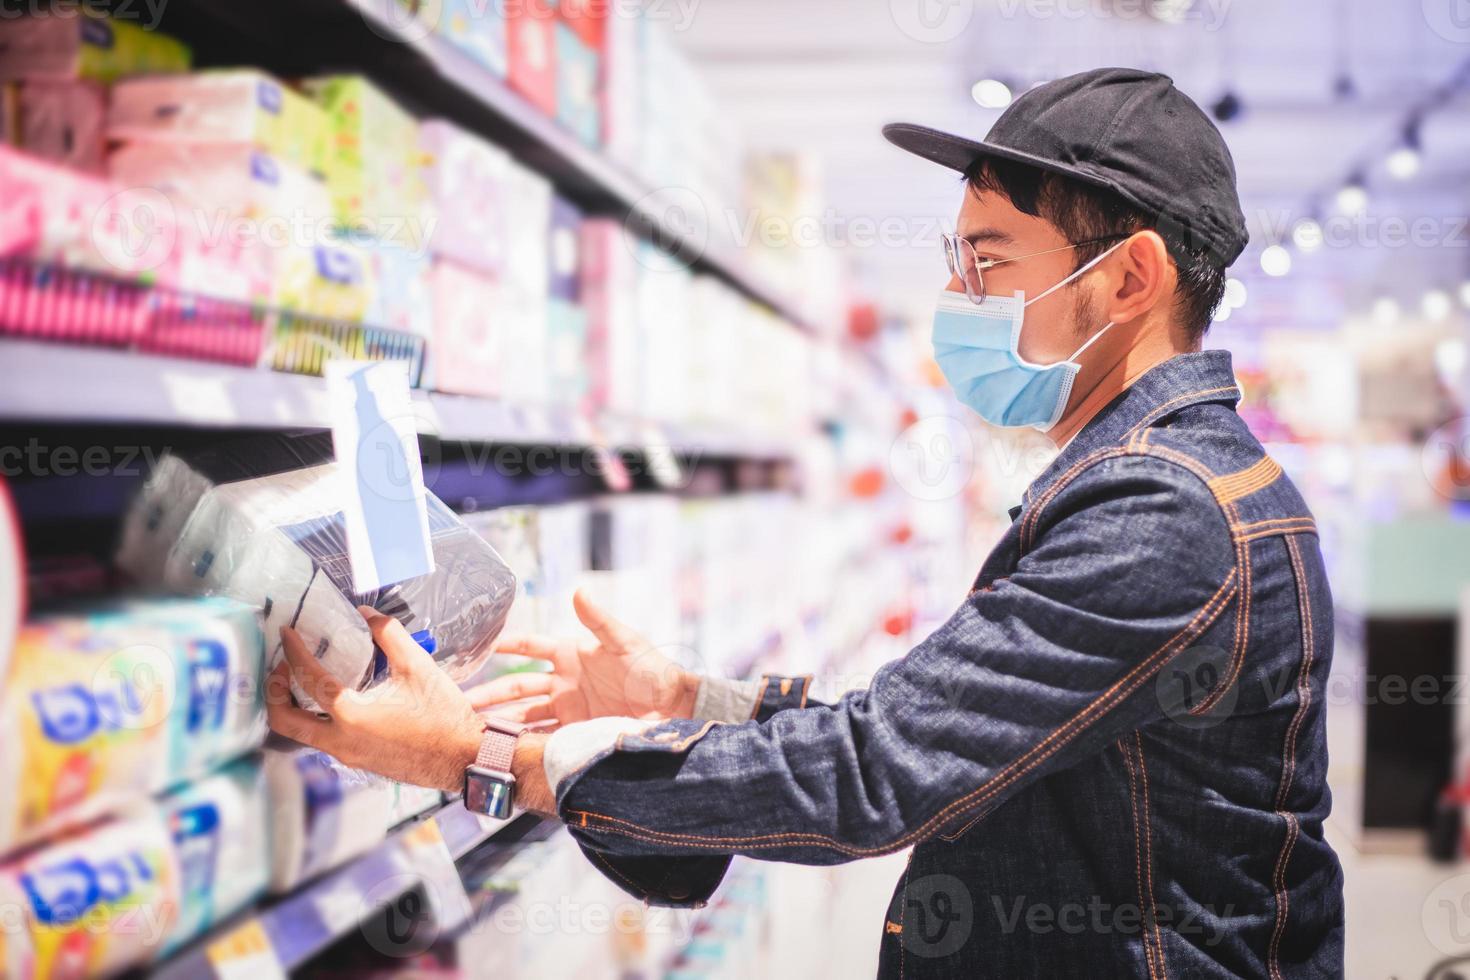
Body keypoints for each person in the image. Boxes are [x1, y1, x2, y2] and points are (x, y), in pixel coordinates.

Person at [268, 67, 1345, 976]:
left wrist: (478, 749)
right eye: (954, 261)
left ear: (1131, 279)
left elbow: (874, 772)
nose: (959, 297)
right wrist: (689, 698)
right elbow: (949, 727)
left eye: (992, 261)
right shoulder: (1171, 478)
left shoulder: (1163, 510)